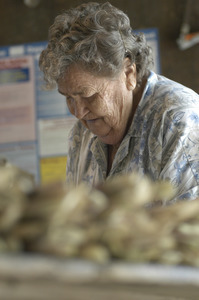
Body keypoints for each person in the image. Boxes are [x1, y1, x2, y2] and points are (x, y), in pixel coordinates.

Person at [39, 1, 199, 203]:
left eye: (88, 96)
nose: (78, 113)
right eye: (68, 98)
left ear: (129, 74)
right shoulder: (82, 135)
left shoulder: (181, 123)